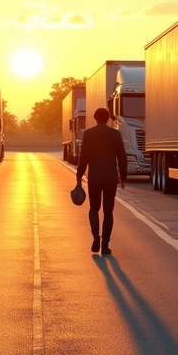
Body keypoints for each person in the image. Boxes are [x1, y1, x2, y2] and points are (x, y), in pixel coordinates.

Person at [76, 107, 127, 255]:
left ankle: (95, 236)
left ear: (95, 118)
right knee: (108, 211)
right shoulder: (115, 134)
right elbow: (122, 157)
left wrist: (79, 176)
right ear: (108, 118)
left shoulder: (88, 134)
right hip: (111, 177)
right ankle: (105, 244)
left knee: (94, 208)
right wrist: (123, 177)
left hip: (95, 177)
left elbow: (83, 157)